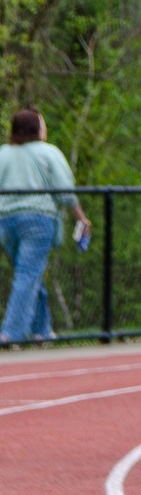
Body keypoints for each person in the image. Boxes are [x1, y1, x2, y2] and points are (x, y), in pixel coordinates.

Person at [0, 108, 89, 344]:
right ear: (37, 129)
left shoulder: (4, 154)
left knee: (27, 273)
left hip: (6, 221)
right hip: (38, 220)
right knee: (28, 273)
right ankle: (11, 333)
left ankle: (42, 331)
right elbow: (64, 190)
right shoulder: (48, 153)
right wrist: (81, 217)